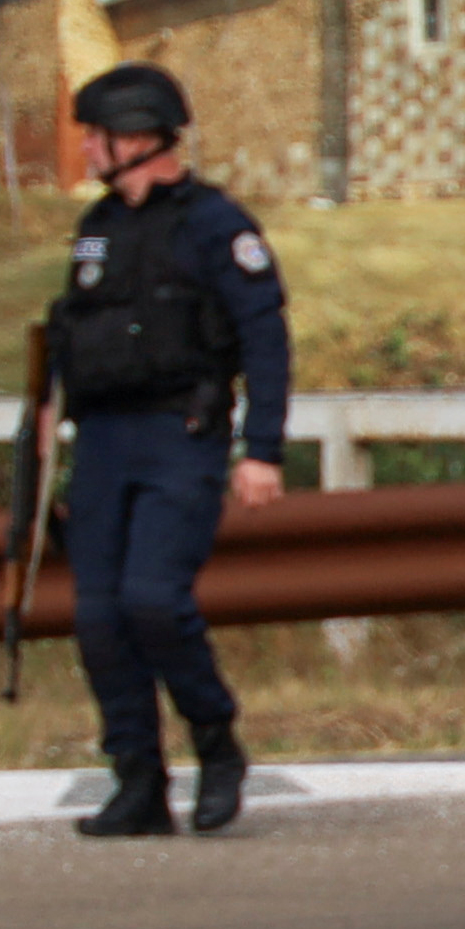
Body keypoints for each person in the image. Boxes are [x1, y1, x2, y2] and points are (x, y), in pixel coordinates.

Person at [46, 63, 290, 838]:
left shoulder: (216, 224)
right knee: (97, 617)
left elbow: (265, 337)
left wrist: (263, 449)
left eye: (97, 134)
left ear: (140, 136)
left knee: (153, 599)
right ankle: (138, 781)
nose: (86, 148)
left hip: (180, 436)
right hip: (104, 442)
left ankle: (216, 744)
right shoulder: (99, 227)